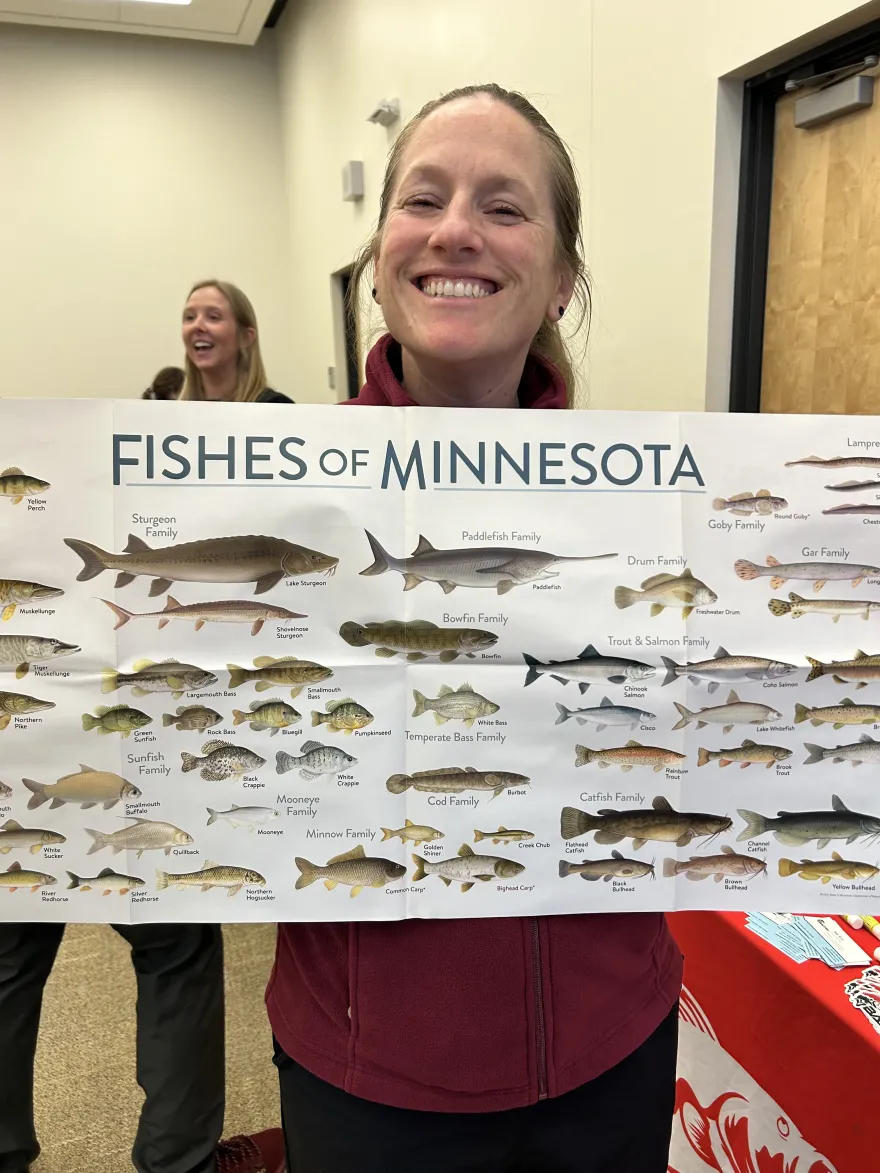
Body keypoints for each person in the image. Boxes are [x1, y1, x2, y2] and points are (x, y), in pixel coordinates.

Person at [266, 84, 682, 1173]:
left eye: (504, 207)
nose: (456, 229)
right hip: (374, 1071)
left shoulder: (646, 516)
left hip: (614, 1044)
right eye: (423, 199)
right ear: (379, 255)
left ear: (561, 279)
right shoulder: (276, 500)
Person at [0, 277, 289, 1173]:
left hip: (168, 710)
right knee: (28, 941)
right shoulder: (142, 422)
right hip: (76, 706)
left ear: (244, 332)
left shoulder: (278, 420)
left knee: (171, 945)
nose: (197, 326)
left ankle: (177, 1159)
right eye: (187, 315)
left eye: (213, 314)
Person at [178, 279, 294, 404]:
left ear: (245, 337)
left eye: (213, 317)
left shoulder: (276, 408)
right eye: (190, 317)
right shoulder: (172, 415)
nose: (197, 326)